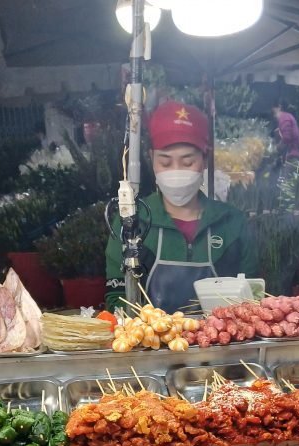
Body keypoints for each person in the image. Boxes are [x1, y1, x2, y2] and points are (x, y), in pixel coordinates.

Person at [106, 101, 257, 314]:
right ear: (151, 159)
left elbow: (253, 297)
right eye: (165, 163)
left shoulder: (232, 223)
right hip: (152, 343)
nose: (176, 171)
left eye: (187, 163)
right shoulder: (132, 222)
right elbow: (117, 299)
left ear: (205, 159)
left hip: (220, 345)